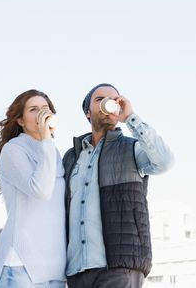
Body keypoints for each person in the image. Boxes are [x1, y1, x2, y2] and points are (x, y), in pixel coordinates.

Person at [63, 83, 174, 288]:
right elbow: (55, 206)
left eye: (114, 99)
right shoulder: (70, 158)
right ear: (88, 113)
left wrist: (130, 117)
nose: (108, 103)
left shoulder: (132, 148)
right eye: (100, 99)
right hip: (76, 271)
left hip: (119, 267)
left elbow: (164, 161)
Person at [0, 89, 66, 288]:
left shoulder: (53, 153)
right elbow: (41, 191)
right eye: (33, 109)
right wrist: (46, 140)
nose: (42, 114)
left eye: (45, 109)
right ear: (21, 121)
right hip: (22, 266)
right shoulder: (13, 149)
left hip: (56, 270)